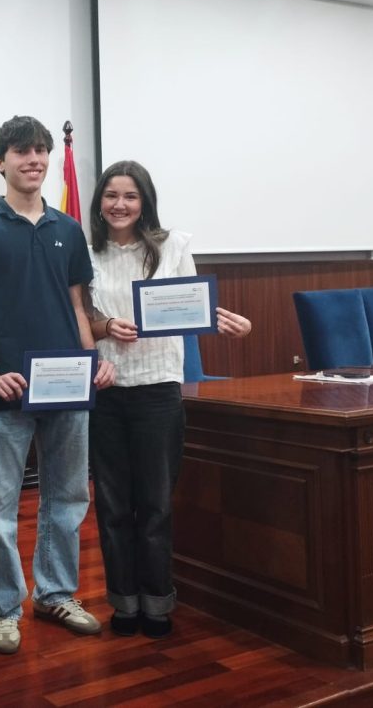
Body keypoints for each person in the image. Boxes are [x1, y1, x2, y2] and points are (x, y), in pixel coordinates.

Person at [0, 115, 115, 656]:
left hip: (68, 388)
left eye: (41, 151)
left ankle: (55, 594)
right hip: (5, 392)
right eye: (22, 151)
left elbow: (78, 309)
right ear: (0, 161)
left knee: (68, 497)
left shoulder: (68, 229)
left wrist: (93, 363)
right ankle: (4, 609)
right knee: (0, 506)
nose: (35, 160)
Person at [86, 160, 251, 638]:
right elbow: (78, 318)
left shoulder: (173, 246)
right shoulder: (85, 253)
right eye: (111, 195)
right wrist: (105, 327)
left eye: (130, 196)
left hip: (158, 388)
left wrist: (222, 319)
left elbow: (189, 307)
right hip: (106, 390)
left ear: (145, 202)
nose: (119, 205)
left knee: (155, 503)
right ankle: (124, 601)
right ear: (99, 201)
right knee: (113, 505)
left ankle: (157, 601)